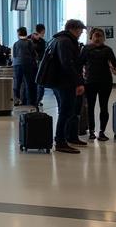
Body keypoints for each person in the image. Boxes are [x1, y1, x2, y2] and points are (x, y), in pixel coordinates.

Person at [37, 19, 86, 154]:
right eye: (80, 30)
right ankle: (61, 141)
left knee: (67, 110)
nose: (81, 33)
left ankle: (70, 137)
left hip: (58, 81)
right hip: (64, 82)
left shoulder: (57, 39)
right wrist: (78, 82)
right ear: (73, 29)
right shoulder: (65, 41)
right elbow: (67, 64)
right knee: (66, 111)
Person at [80, 28, 116, 142]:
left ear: (104, 38)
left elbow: (115, 64)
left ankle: (101, 131)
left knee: (103, 106)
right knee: (90, 107)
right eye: (95, 36)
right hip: (90, 82)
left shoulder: (107, 50)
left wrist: (113, 67)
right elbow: (79, 64)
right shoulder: (86, 49)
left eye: (100, 36)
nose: (98, 39)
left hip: (105, 82)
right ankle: (92, 131)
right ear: (91, 37)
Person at [11, 27, 38, 107]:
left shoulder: (16, 43)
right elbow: (33, 55)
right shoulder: (29, 43)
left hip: (17, 65)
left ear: (18, 34)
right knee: (29, 83)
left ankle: (16, 100)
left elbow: (14, 55)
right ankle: (30, 102)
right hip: (28, 64)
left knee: (17, 83)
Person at [32, 24, 48, 107]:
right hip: (40, 63)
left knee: (33, 82)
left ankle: (33, 100)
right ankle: (38, 100)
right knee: (40, 82)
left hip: (31, 63)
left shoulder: (29, 38)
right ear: (43, 30)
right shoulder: (41, 41)